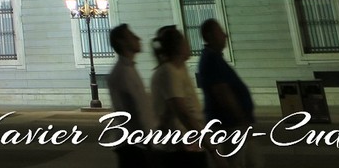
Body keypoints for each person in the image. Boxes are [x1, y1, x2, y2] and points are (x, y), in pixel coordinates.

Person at [197, 19, 259, 167]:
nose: (225, 35)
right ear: (210, 35)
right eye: (220, 32)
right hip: (227, 125)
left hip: (231, 124)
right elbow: (222, 92)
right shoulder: (211, 59)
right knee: (233, 163)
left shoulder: (215, 58)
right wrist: (241, 118)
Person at [150, 25, 204, 166]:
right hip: (181, 146)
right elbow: (181, 112)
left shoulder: (178, 69)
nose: (189, 44)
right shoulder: (169, 72)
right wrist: (209, 146)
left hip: (185, 142)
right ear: (178, 46)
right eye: (184, 41)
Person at [107, 24, 156, 167]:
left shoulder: (127, 70)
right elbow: (138, 111)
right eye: (132, 36)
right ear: (122, 42)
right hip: (134, 144)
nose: (138, 38)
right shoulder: (124, 73)